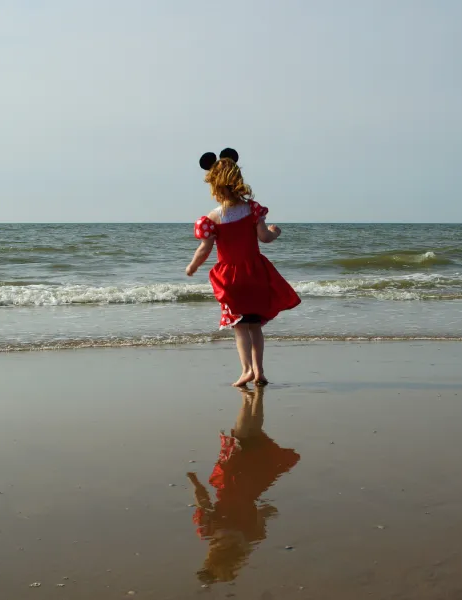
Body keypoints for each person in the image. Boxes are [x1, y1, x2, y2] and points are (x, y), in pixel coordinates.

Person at [185, 155, 300, 386]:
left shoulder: (212, 218)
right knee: (255, 325)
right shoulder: (253, 210)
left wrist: (192, 267)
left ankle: (246, 370)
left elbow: (204, 249)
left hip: (230, 279)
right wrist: (275, 231)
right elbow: (264, 238)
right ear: (238, 180)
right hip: (255, 274)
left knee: (239, 327)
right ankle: (259, 371)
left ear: (214, 184)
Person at [187, 387, 300, 583]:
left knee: (253, 435)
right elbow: (203, 501)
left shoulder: (249, 538)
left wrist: (266, 511)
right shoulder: (211, 532)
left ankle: (254, 397)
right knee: (243, 436)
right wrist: (194, 482)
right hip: (232, 481)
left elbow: (259, 515)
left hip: (251, 483)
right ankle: (248, 399)